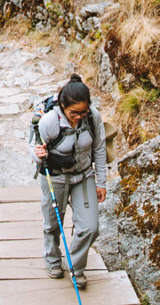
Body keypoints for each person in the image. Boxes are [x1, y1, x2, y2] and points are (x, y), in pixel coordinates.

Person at [31, 74, 108, 290]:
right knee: (53, 223)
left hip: (84, 175)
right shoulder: (49, 122)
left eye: (83, 112)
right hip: (55, 176)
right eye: (74, 113)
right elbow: (34, 148)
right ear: (63, 106)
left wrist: (101, 182)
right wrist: (37, 153)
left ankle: (75, 266)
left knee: (91, 227)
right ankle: (53, 259)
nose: (79, 117)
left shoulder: (93, 118)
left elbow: (99, 148)